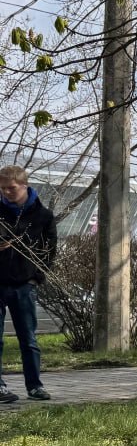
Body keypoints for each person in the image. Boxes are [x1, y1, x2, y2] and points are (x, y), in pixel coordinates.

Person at [0, 165, 56, 402]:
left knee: (28, 338)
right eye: (2, 189)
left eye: (11, 188)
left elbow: (49, 250)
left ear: (24, 185)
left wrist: (36, 277)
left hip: (24, 284)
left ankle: (34, 386)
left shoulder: (42, 216)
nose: (6, 193)